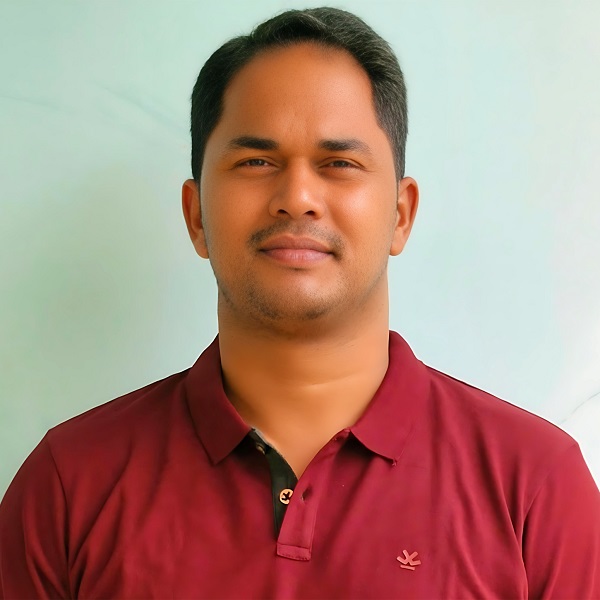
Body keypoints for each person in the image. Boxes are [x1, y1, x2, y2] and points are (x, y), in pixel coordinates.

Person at [1, 6, 599, 599]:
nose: (298, 196)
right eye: (256, 162)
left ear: (400, 214)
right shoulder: (68, 486)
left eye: (339, 163)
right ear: (196, 215)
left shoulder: (536, 488)